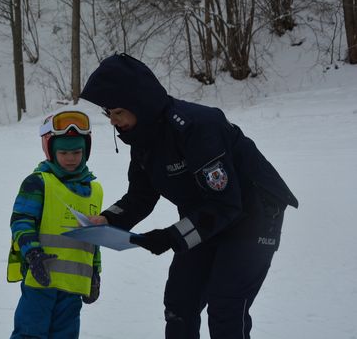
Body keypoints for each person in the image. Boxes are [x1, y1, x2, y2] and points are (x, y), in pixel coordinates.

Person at [80, 53, 298, 339]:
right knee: (180, 302)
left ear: (140, 103)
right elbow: (140, 197)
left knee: (226, 307)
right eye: (108, 113)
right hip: (206, 217)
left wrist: (171, 237)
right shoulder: (144, 139)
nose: (113, 121)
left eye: (118, 112)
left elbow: (226, 204)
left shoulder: (197, 127)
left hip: (254, 215)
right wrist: (108, 220)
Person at [7, 110, 103, 339]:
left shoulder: (94, 190)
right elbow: (21, 221)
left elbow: (95, 237)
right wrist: (33, 254)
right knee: (30, 334)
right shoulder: (38, 183)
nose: (71, 158)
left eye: (77, 152)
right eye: (63, 152)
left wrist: (95, 272)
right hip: (41, 280)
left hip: (73, 285)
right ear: (50, 151)